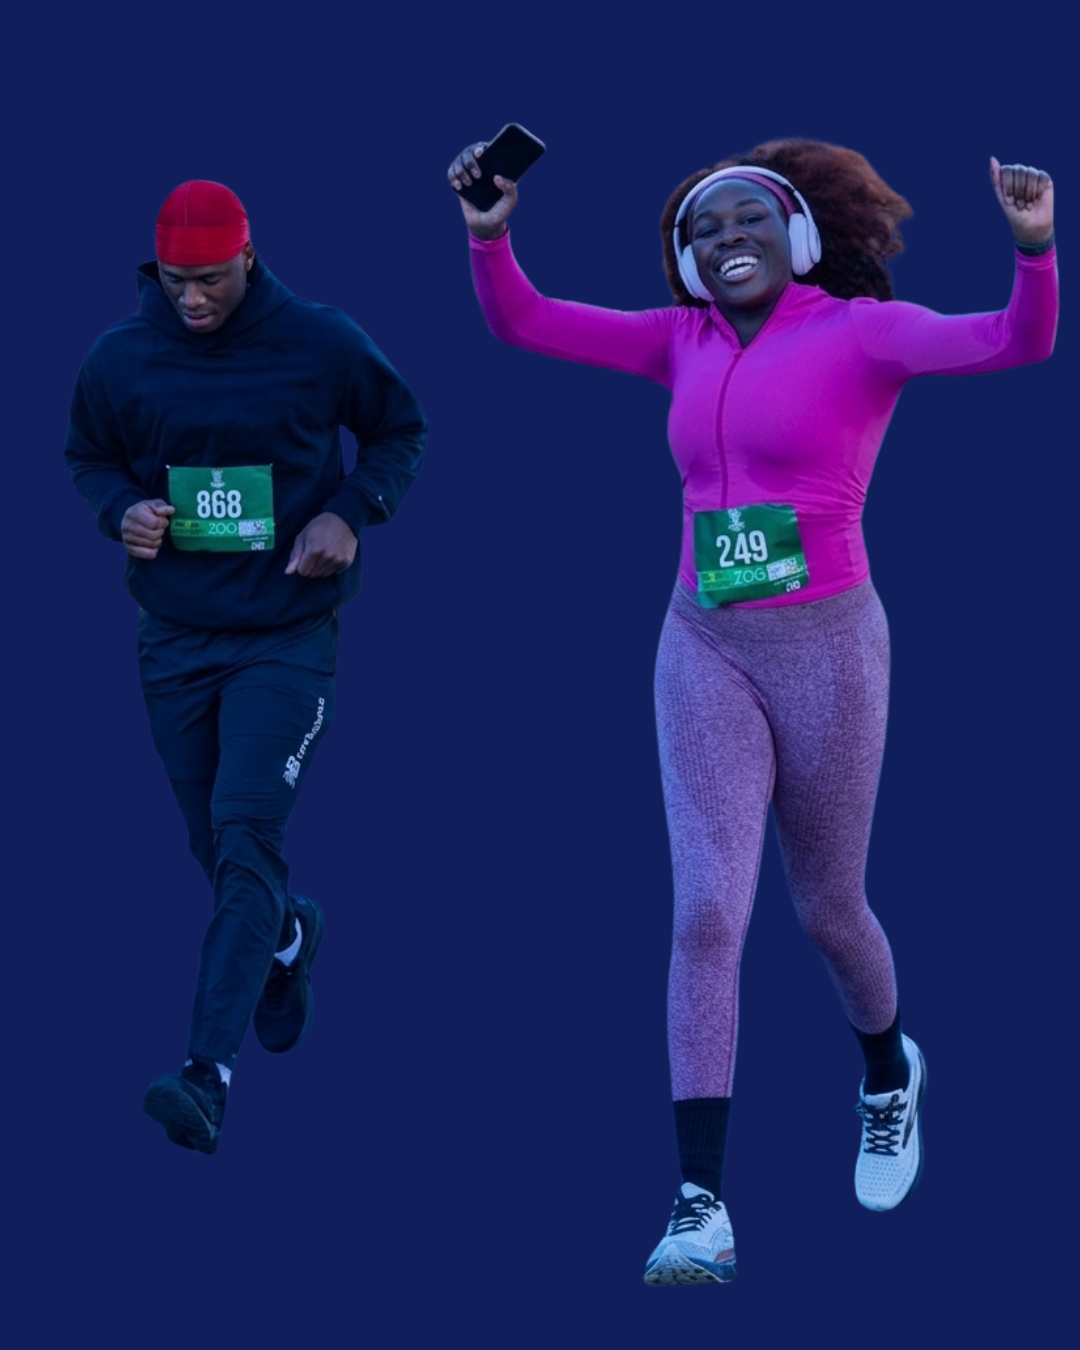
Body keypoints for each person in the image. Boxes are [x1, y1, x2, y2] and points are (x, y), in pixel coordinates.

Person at [447, 137, 1057, 1283]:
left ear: (802, 238)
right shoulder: (673, 343)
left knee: (828, 909)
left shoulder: (860, 333)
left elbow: (1014, 343)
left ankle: (888, 1073)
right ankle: (699, 1206)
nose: (725, 242)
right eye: (702, 232)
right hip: (703, 643)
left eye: (747, 223)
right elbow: (522, 321)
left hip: (828, 648)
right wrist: (490, 230)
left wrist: (1033, 251)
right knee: (706, 915)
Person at [65, 180, 427, 1154]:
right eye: (177, 282)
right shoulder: (120, 357)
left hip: (287, 635)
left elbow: (400, 429)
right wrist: (120, 512)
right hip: (175, 641)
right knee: (218, 855)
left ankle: (206, 1074)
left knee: (245, 831)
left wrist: (348, 515)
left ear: (250, 257)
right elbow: (89, 456)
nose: (193, 300)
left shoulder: (322, 341)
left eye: (211, 281)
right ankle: (291, 939)